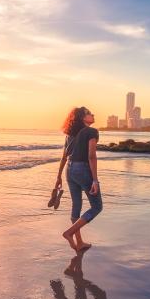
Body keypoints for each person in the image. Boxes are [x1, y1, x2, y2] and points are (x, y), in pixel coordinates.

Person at [54, 106, 103, 253]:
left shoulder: (70, 134)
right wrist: (95, 180)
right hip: (82, 169)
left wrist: (58, 177)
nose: (93, 114)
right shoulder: (91, 132)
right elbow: (91, 156)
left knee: (76, 205)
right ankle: (69, 233)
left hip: (70, 170)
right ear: (82, 117)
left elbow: (64, 157)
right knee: (97, 207)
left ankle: (79, 242)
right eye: (89, 113)